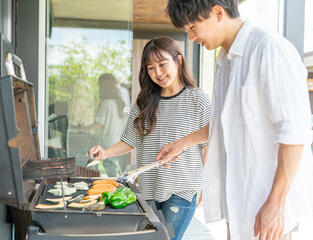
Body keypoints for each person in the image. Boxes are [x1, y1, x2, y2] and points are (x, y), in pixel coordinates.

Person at [155, 1, 313, 240]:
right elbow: (226, 123)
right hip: (238, 206)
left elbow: (295, 131)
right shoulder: (226, 62)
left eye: (194, 26)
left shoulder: (269, 49)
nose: (191, 37)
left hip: (267, 207)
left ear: (218, 12)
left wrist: (276, 203)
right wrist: (183, 143)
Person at [88, 36, 211, 240]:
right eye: (150, 67)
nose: (158, 73)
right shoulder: (143, 102)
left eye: (162, 64)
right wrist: (105, 153)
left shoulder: (198, 99)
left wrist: (205, 185)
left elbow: (208, 146)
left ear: (178, 60)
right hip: (148, 189)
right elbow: (130, 140)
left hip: (182, 190)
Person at [82, 73, 128, 176]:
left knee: (111, 173)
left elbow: (99, 123)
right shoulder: (120, 103)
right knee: (120, 172)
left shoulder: (106, 103)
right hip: (121, 142)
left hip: (109, 143)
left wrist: (84, 128)